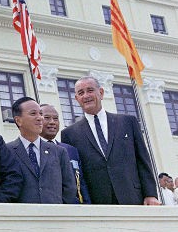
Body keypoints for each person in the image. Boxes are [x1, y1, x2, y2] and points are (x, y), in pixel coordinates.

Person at [61, 76, 159, 205]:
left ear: (100, 93)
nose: (86, 96)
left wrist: (150, 194)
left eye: (90, 90)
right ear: (77, 99)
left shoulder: (128, 122)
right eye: (81, 93)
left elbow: (143, 160)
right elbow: (74, 173)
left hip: (133, 197)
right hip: (97, 202)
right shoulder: (69, 134)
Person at [6, 97, 77, 204]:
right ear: (18, 120)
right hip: (22, 217)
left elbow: (69, 189)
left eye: (40, 114)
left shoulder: (59, 152)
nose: (40, 118)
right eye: (33, 114)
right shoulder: (7, 151)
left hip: (55, 216)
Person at [39, 104, 91, 204]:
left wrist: (87, 206)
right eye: (47, 118)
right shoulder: (32, 150)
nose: (52, 122)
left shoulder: (70, 150)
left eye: (55, 118)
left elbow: (81, 183)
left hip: (74, 209)